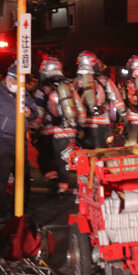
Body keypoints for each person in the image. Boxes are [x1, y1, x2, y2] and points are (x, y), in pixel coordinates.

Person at [0, 63, 40, 219]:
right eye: (15, 81)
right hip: (3, 142)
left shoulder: (25, 95)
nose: (17, 85)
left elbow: (36, 111)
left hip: (21, 142)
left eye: (20, 81)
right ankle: (1, 212)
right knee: (1, 180)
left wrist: (31, 113)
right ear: (8, 79)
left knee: (23, 177)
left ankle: (20, 209)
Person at [36, 57, 85, 196]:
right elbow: (79, 107)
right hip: (69, 130)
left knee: (44, 158)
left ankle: (54, 181)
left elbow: (39, 111)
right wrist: (80, 124)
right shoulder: (69, 87)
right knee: (63, 160)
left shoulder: (43, 90)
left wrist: (34, 126)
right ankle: (62, 189)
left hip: (50, 132)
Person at [73, 50, 125, 149]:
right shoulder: (104, 80)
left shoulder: (76, 82)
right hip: (102, 122)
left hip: (83, 124)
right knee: (101, 152)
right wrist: (124, 115)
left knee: (84, 152)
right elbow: (116, 98)